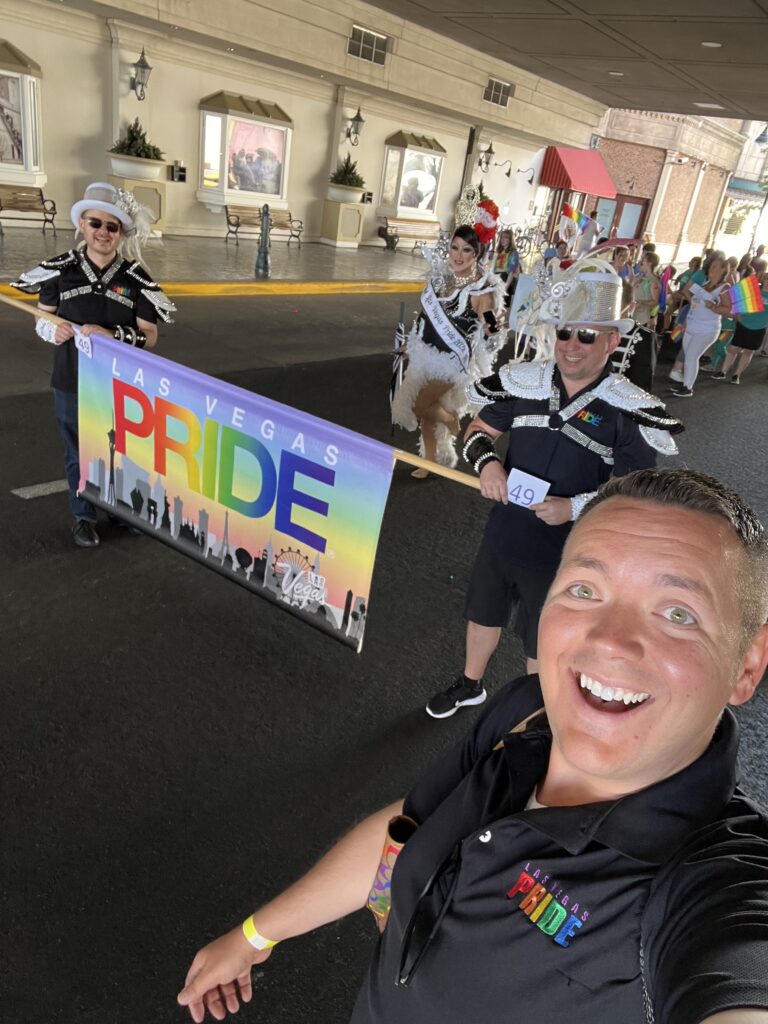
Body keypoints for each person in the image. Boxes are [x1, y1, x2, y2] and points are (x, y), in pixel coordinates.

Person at [176, 467, 768, 1024]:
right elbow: (407, 826)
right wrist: (255, 935)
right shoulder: (525, 710)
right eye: (584, 589)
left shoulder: (713, 884)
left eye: (677, 613)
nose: (611, 640)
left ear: (747, 665)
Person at [424, 256, 681, 718]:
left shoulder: (629, 407)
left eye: (586, 334)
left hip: (571, 548)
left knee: (544, 636)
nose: (572, 345)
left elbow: (637, 492)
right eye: (564, 332)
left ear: (611, 340)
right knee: (483, 610)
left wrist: (576, 507)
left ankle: (533, 716)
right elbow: (477, 431)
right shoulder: (525, 382)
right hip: (505, 529)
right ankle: (470, 685)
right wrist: (487, 467)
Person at [12, 181, 175, 547]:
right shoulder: (59, 271)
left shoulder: (137, 280)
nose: (103, 232)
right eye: (95, 223)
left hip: (121, 382)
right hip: (71, 378)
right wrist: (49, 332)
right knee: (78, 450)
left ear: (121, 233)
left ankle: (118, 512)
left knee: (120, 450)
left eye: (111, 226)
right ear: (81, 226)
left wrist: (113, 334)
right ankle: (83, 515)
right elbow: (44, 318)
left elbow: (149, 334)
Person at [391, 226, 505, 477]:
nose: (458, 255)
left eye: (466, 250)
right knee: (427, 420)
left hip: (452, 364)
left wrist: (492, 326)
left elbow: (491, 323)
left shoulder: (481, 291)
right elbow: (425, 319)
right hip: (425, 356)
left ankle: (451, 420)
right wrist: (410, 344)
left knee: (419, 406)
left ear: (476, 254)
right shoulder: (442, 278)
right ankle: (428, 463)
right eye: (455, 247)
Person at [669, 250, 730, 397]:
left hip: (707, 330)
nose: (711, 269)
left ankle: (688, 387)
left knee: (691, 356)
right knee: (689, 355)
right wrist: (684, 322)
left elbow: (728, 309)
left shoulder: (724, 287)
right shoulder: (705, 283)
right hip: (691, 325)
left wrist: (714, 307)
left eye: (715, 267)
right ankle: (685, 383)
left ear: (723, 270)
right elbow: (694, 305)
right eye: (711, 266)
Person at [713, 259, 768, 384]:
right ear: (763, 280)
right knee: (733, 348)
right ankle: (723, 371)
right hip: (744, 323)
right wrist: (737, 313)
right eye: (767, 279)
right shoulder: (753, 290)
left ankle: (736, 375)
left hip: (759, 327)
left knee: (748, 351)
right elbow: (737, 300)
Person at [493, 228, 521, 304]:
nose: (503, 239)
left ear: (510, 240)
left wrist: (505, 288)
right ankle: (489, 316)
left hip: (506, 281)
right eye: (501, 237)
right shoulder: (499, 251)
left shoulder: (513, 253)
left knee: (502, 308)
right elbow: (494, 269)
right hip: (496, 280)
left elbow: (511, 272)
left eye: (506, 237)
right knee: (492, 305)